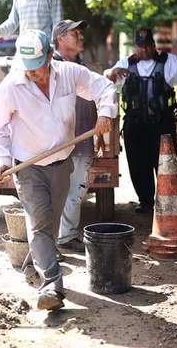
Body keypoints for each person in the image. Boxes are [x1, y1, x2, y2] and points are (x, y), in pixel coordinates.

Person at [0, 29, 117, 310]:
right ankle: (52, 284)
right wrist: (3, 160)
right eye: (31, 72)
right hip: (29, 167)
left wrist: (106, 112)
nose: (37, 76)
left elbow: (104, 88)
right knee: (39, 222)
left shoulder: (70, 73)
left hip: (62, 164)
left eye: (41, 69)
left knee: (50, 225)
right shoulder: (11, 88)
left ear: (50, 56)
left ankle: (33, 267)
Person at [104, 28, 177, 214]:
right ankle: (146, 202)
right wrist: (113, 71)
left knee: (165, 164)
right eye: (140, 47)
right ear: (135, 47)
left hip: (163, 124)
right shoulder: (126, 64)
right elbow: (106, 77)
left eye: (147, 47)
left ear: (153, 46)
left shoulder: (170, 62)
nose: (144, 51)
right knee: (138, 164)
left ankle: (166, 202)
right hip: (134, 124)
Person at [51, 19, 99, 253]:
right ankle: (50, 243)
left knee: (76, 192)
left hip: (83, 139)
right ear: (60, 38)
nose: (80, 36)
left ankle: (66, 236)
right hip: (58, 144)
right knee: (54, 194)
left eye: (81, 32)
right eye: (74, 33)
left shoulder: (82, 67)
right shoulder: (50, 68)